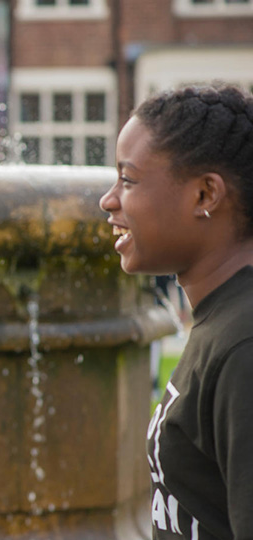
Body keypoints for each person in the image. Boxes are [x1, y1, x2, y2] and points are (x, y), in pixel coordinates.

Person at [99, 83, 253, 539]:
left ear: (205, 195)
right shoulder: (222, 322)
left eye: (128, 180)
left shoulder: (243, 347)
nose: (108, 200)